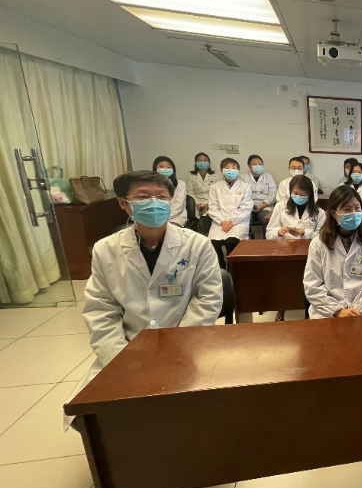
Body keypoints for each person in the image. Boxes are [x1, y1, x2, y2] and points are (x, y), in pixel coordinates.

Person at [64, 171, 222, 430]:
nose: (154, 203)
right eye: (143, 197)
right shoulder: (106, 249)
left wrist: (177, 351)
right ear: (123, 203)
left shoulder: (198, 245)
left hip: (186, 346)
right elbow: (100, 310)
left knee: (197, 411)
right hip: (128, 347)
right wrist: (121, 358)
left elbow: (208, 300)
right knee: (92, 415)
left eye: (161, 197)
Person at [303, 185, 362, 318]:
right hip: (327, 312)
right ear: (333, 213)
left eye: (357, 208)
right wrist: (337, 310)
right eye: (347, 209)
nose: (353, 213)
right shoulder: (318, 244)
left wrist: (358, 309)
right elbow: (312, 285)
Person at [208, 158, 252, 268]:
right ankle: (221, 269)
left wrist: (231, 222)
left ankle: (232, 269)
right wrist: (222, 222)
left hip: (238, 222)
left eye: (234, 168)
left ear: (238, 170)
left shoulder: (246, 187)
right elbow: (213, 207)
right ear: (221, 170)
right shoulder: (214, 187)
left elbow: (245, 208)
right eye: (227, 168)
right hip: (219, 223)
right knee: (213, 243)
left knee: (231, 242)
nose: (230, 170)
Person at [266, 175, 326, 240]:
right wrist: (278, 233)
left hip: (308, 245)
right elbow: (268, 234)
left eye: (302, 195)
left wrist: (304, 233)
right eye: (295, 193)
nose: (298, 197)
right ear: (290, 192)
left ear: (310, 195)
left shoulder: (319, 212)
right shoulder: (280, 207)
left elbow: (322, 237)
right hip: (285, 244)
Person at [243, 154, 277, 227]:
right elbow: (240, 194)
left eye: (260, 164)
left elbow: (273, 193)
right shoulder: (243, 177)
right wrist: (250, 205)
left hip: (265, 206)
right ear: (249, 166)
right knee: (245, 219)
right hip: (247, 207)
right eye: (255, 164)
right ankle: (249, 234)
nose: (258, 166)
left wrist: (263, 205)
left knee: (267, 220)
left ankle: (266, 234)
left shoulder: (268, 177)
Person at [152, 156, 187, 226]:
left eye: (168, 167)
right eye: (161, 167)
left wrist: (164, 217)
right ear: (155, 169)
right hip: (155, 218)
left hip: (175, 218)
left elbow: (178, 206)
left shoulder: (180, 184)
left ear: (173, 169)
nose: (165, 169)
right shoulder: (151, 185)